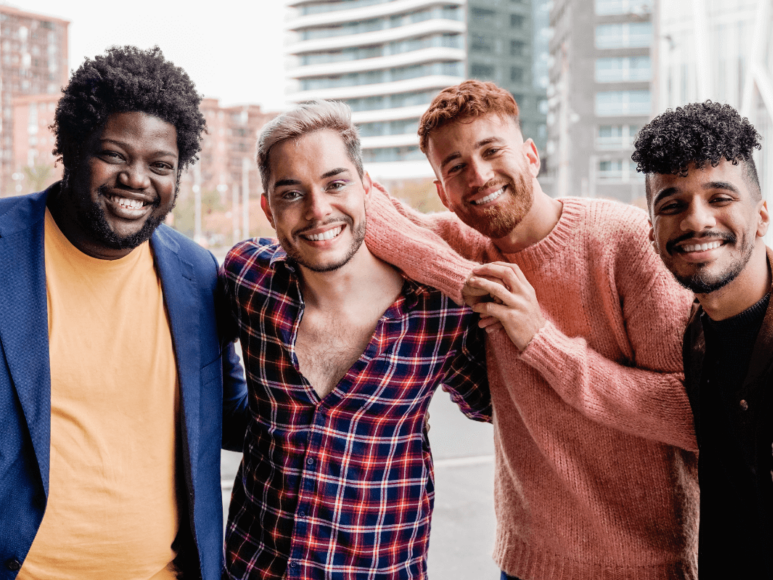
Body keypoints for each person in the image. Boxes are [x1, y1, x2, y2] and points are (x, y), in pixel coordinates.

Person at [363, 80, 700, 580]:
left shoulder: (625, 240)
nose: (478, 175)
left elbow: (692, 413)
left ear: (531, 155)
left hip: (646, 564)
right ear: (443, 193)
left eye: (491, 150)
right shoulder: (465, 246)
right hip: (527, 562)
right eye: (455, 167)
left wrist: (541, 340)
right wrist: (467, 281)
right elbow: (365, 206)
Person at [0, 46, 247, 580]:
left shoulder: (199, 273)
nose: (137, 180)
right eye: (115, 155)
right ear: (70, 148)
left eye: (160, 165)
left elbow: (232, 417)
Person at [219, 100, 492, 580]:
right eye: (291, 194)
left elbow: (502, 408)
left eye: (335, 183)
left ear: (369, 190)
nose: (318, 210)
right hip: (252, 567)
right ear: (268, 209)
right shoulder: (248, 279)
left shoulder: (440, 309)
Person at [634, 101, 773, 579]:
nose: (696, 221)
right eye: (672, 204)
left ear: (760, 216)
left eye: (719, 198)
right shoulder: (693, 337)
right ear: (652, 235)